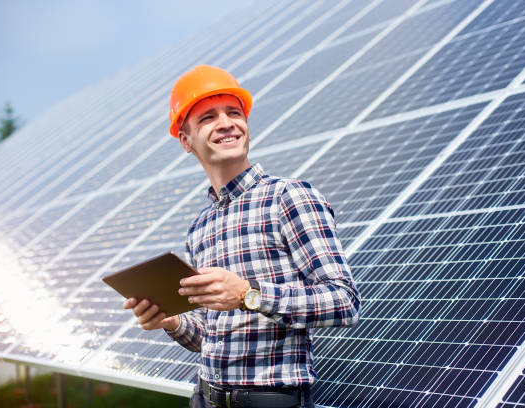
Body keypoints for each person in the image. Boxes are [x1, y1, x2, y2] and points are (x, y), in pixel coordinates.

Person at [123, 65, 360, 408]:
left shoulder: (289, 198)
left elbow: (344, 303)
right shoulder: (200, 228)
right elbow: (209, 332)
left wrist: (250, 295)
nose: (225, 123)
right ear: (185, 140)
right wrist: (172, 321)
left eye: (234, 112)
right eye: (207, 117)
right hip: (204, 397)